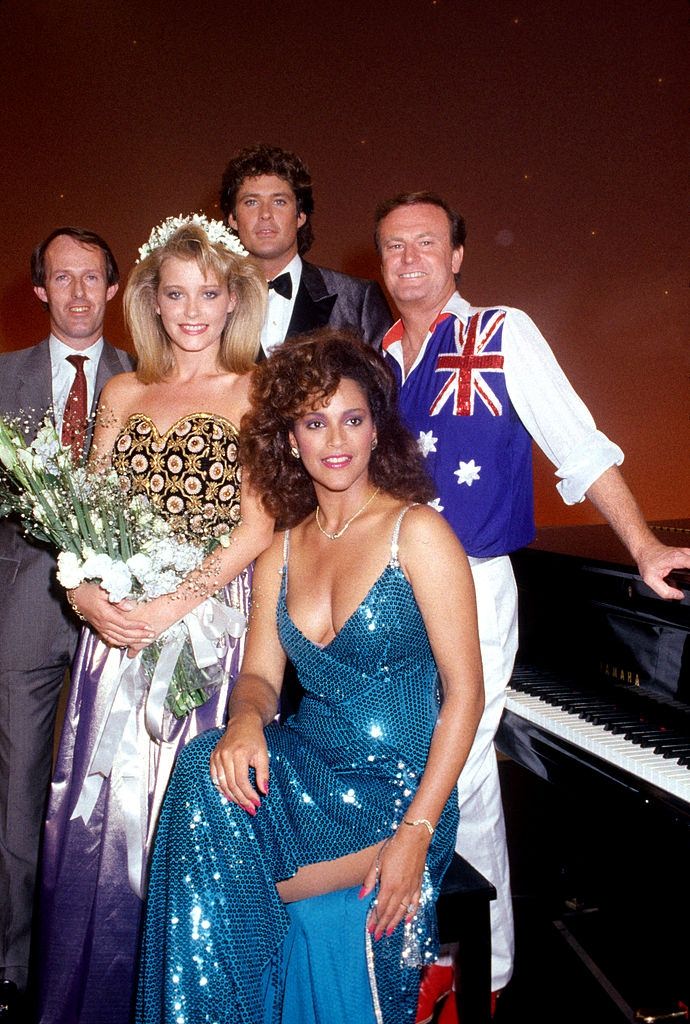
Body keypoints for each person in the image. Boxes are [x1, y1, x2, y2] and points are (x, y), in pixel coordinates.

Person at [374, 190, 690, 1021]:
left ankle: (487, 966)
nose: (409, 259)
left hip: (472, 583)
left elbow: (577, 446)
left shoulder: (500, 333)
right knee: (406, 763)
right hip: (388, 590)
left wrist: (646, 546)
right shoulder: (380, 356)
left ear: (458, 256)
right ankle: (414, 942)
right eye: (393, 246)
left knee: (465, 766)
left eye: (426, 243)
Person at [135, 331, 484, 1024]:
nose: (336, 439)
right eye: (314, 421)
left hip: (397, 794)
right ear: (290, 439)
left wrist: (415, 832)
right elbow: (261, 676)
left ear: (375, 429)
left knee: (206, 868)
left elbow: (466, 693)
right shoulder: (282, 548)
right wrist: (242, 721)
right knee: (205, 762)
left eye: (352, 419)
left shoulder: (417, 534)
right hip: (311, 767)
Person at [36, 217, 274, 1024]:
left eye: (209, 292)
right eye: (175, 294)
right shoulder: (123, 392)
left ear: (234, 298)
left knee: (185, 825)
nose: (192, 310)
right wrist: (82, 594)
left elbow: (258, 524)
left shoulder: (255, 391)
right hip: (114, 644)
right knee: (99, 827)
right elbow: (88, 514)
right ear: (151, 301)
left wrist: (178, 602)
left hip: (207, 638)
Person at [0, 227, 132, 1023]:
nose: (79, 293)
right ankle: (13, 963)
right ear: (41, 290)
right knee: (14, 797)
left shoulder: (146, 377)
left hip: (126, 617)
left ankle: (106, 949)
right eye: (63, 278)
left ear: (114, 289)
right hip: (22, 616)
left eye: (93, 278)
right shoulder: (2, 379)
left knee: (111, 794)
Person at [220, 143, 392, 354]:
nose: (265, 214)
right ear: (232, 218)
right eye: (251, 202)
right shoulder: (211, 299)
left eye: (279, 202)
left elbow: (383, 383)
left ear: (301, 215)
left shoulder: (357, 299)